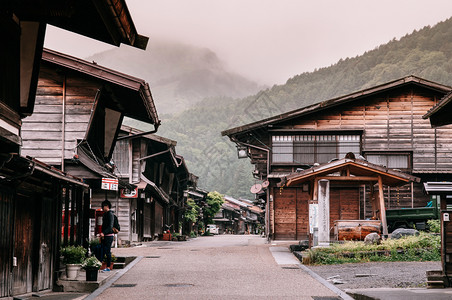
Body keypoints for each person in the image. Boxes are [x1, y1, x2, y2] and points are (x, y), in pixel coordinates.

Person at [100, 199, 114, 272]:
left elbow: (110, 226)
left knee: (107, 251)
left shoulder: (110, 214)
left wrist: (104, 232)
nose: (102, 208)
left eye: (103, 206)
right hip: (105, 235)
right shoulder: (105, 214)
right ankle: (103, 265)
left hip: (109, 235)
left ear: (107, 206)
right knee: (103, 250)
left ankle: (108, 267)